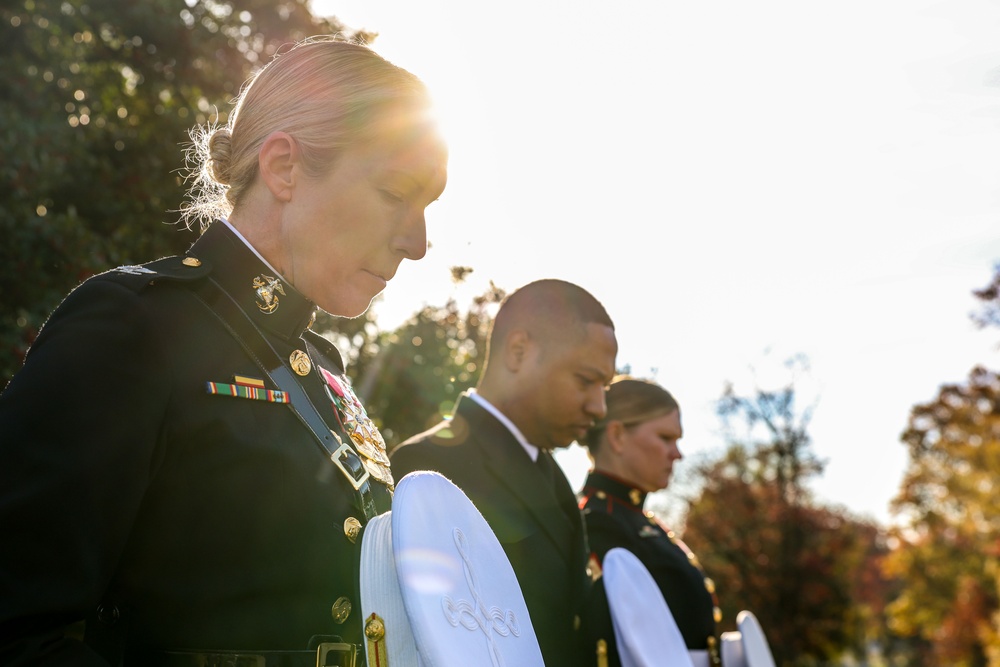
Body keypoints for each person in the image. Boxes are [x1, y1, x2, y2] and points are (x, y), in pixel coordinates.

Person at [0, 37, 447, 666]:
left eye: (429, 207)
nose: (419, 242)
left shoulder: (324, 370)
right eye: (397, 194)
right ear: (285, 167)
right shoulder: (132, 325)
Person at [390, 278, 618, 667]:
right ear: (518, 351)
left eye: (605, 387)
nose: (599, 408)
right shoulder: (430, 467)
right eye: (585, 380)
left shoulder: (551, 474)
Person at [579, 377, 722, 667]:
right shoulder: (596, 523)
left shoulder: (642, 523)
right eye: (665, 438)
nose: (677, 453)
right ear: (617, 435)